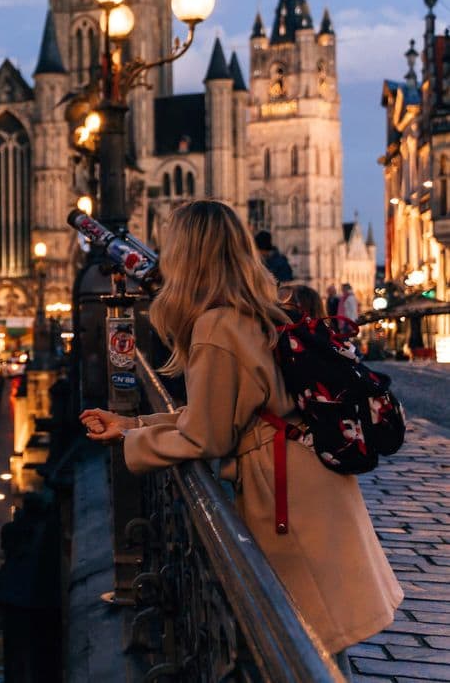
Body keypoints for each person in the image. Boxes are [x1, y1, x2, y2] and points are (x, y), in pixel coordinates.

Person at [81, 199, 402, 666]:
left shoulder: (215, 326)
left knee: (304, 644)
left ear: (189, 257)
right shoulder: (255, 309)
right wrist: (134, 422)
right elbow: (218, 412)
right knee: (323, 645)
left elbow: (207, 436)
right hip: (310, 474)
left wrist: (133, 442)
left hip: (286, 493)